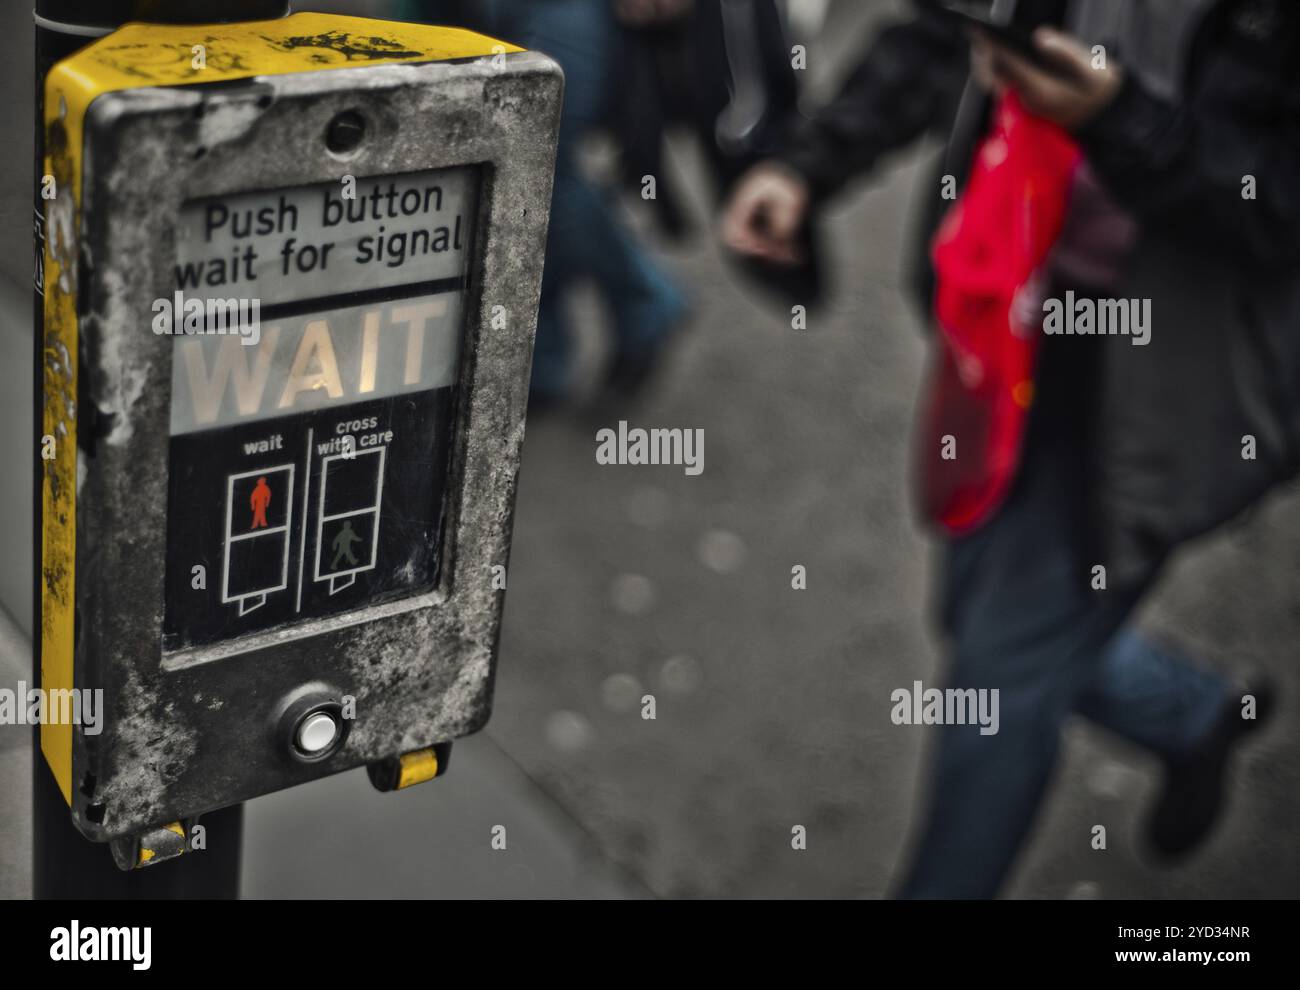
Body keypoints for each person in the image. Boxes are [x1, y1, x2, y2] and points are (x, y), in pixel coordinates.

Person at [723, 0, 1297, 897]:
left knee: (994, 685)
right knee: (977, 621)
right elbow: (938, 33)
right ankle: (1190, 712)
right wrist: (805, 168)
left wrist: (1117, 122)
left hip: (1170, 369)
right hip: (1009, 318)